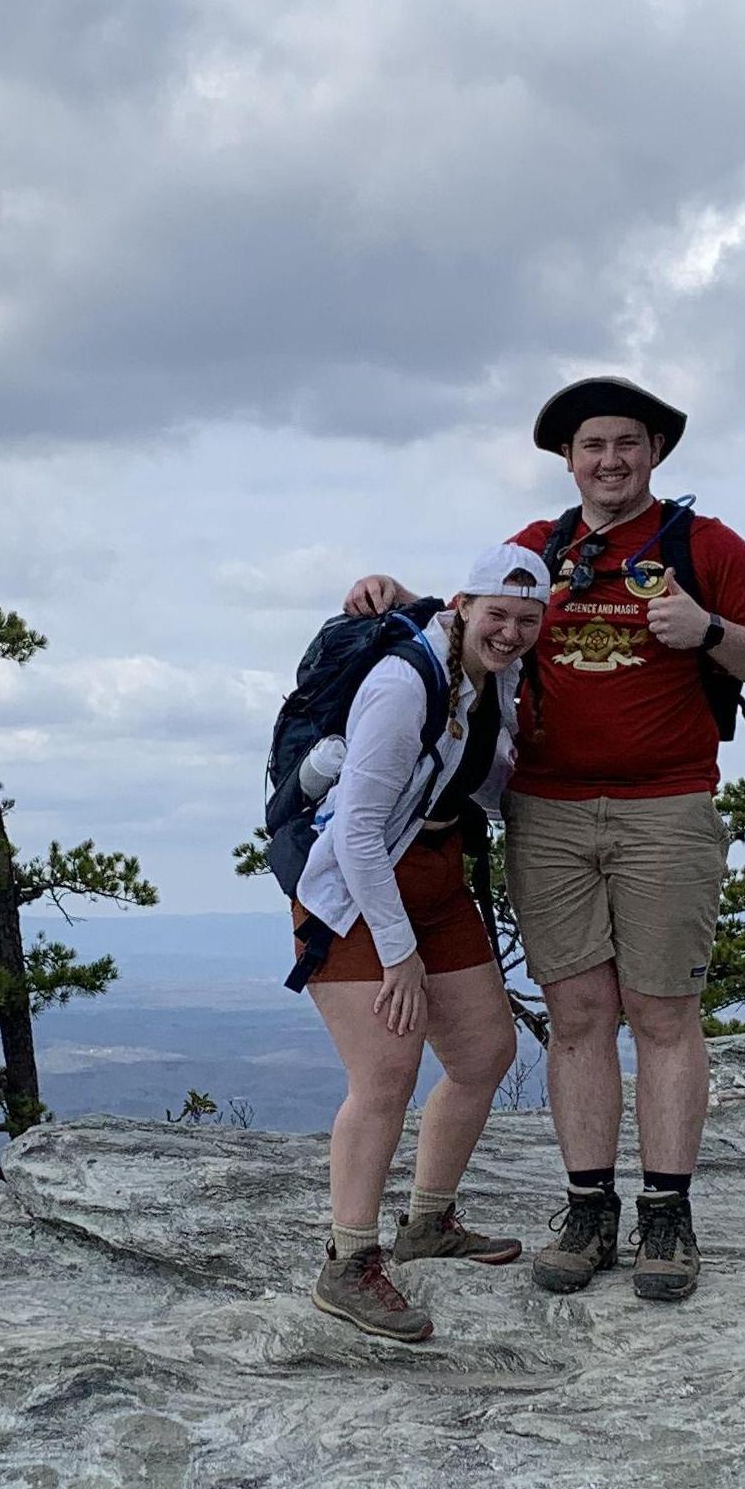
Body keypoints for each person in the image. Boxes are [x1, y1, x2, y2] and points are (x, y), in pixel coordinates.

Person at [344, 378, 745, 1306]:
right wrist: (394, 597)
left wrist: (706, 630)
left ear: (655, 453)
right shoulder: (539, 548)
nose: (609, 460)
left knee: (662, 1009)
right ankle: (588, 1209)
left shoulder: (702, 546)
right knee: (579, 1013)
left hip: (666, 805)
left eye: (627, 443)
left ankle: (665, 1214)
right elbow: (477, 615)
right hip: (545, 809)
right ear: (567, 458)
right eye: (592, 444)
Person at [287, 547, 552, 1343]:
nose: (508, 632)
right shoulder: (404, 684)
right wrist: (398, 954)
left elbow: (482, 778)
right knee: (386, 1069)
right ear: (462, 606)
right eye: (495, 615)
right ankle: (348, 1261)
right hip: (354, 887)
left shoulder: (486, 675)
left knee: (481, 1052)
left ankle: (428, 1222)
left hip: (434, 872)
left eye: (525, 620)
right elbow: (359, 830)